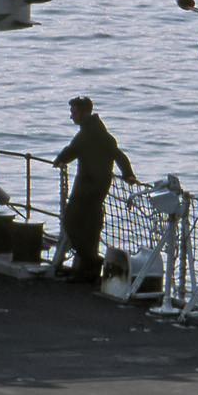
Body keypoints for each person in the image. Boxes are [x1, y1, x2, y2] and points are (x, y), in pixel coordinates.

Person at [53, 96, 136, 283]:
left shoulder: (90, 133)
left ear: (82, 113)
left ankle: (94, 262)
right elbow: (116, 154)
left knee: (72, 222)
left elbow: (73, 150)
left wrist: (59, 160)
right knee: (89, 227)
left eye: (73, 112)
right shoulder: (96, 131)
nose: (71, 117)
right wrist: (127, 173)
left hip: (89, 187)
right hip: (96, 186)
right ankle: (87, 271)